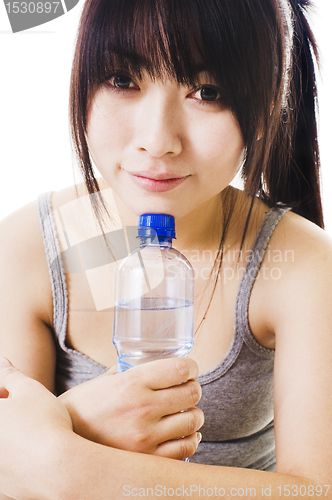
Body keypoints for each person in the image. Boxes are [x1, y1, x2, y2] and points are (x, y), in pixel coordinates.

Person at [0, 0, 331, 498]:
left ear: (265, 110)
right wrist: (76, 423)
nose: (157, 142)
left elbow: (315, 489)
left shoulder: (302, 267)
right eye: (122, 80)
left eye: (207, 92)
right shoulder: (27, 248)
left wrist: (65, 464)